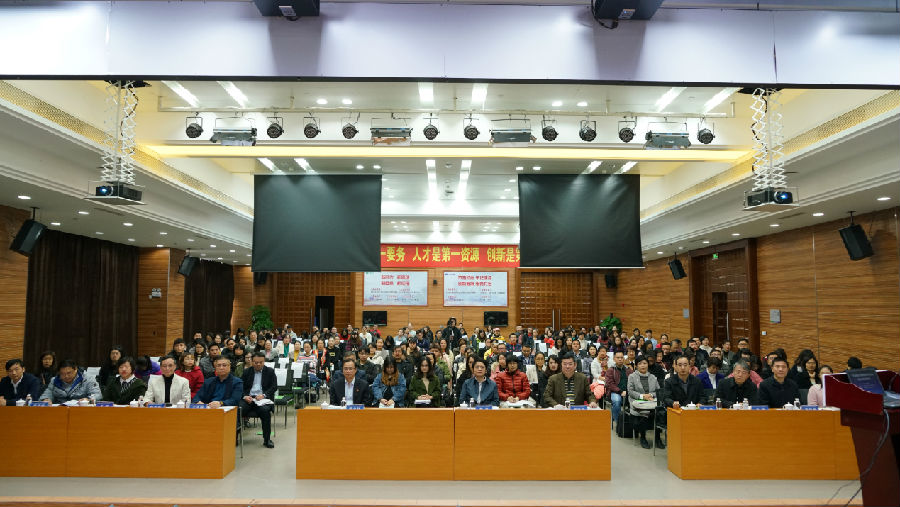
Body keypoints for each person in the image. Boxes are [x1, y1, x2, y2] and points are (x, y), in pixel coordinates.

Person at [240, 352, 277, 448]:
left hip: (262, 399)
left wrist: (264, 395)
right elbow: (240, 387)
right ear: (252, 362)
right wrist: (245, 396)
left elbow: (274, 387)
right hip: (249, 398)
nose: (258, 364)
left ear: (264, 362)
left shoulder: (270, 371)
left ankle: (267, 439)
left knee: (265, 411)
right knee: (238, 410)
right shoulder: (247, 372)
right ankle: (234, 437)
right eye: (256, 362)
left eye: (261, 362)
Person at [627, 356, 662, 449]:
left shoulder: (653, 377)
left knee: (659, 413)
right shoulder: (632, 377)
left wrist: (650, 395)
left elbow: (658, 391)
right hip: (638, 404)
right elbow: (630, 392)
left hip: (651, 403)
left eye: (645, 363)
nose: (643, 365)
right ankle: (643, 437)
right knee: (645, 413)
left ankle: (657, 437)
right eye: (640, 364)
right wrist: (642, 396)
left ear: (648, 365)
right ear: (636, 366)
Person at [604, 351, 632, 423]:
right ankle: (618, 422)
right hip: (615, 392)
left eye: (621, 357)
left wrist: (629, 391)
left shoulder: (628, 370)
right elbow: (609, 384)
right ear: (614, 359)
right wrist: (620, 391)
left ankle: (632, 423)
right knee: (617, 401)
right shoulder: (610, 370)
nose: (620, 359)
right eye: (618, 357)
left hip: (628, 392)